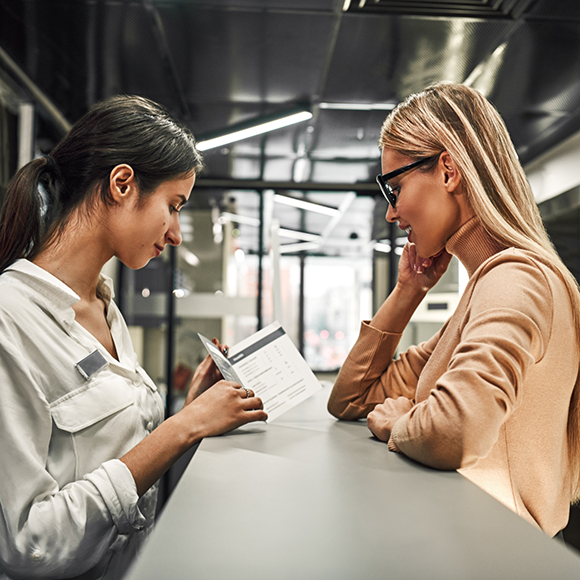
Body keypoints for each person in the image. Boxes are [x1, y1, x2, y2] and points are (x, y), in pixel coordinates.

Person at [0, 95, 267, 580]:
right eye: (173, 205)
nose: (177, 234)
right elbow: (26, 544)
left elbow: (127, 475)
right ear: (122, 184)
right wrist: (178, 430)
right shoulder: (9, 319)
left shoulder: (104, 306)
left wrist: (192, 413)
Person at [327, 82, 580, 538]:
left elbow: (456, 428)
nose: (392, 213)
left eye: (395, 187)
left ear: (448, 171)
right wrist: (408, 290)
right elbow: (352, 399)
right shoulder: (488, 287)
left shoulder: (516, 279)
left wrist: (398, 424)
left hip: (498, 555)